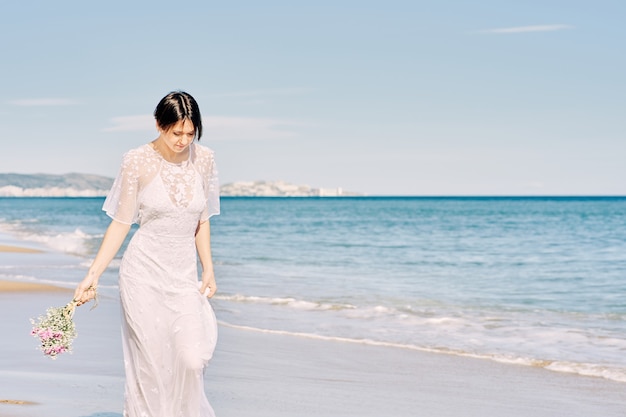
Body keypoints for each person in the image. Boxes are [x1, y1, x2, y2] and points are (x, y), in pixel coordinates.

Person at [73, 91, 220, 417]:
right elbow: (121, 223)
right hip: (142, 275)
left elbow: (202, 220)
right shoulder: (137, 160)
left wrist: (208, 267)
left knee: (191, 359)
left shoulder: (205, 159)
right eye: (176, 132)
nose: (183, 140)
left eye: (190, 132)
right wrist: (93, 274)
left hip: (183, 277)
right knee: (151, 367)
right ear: (158, 125)